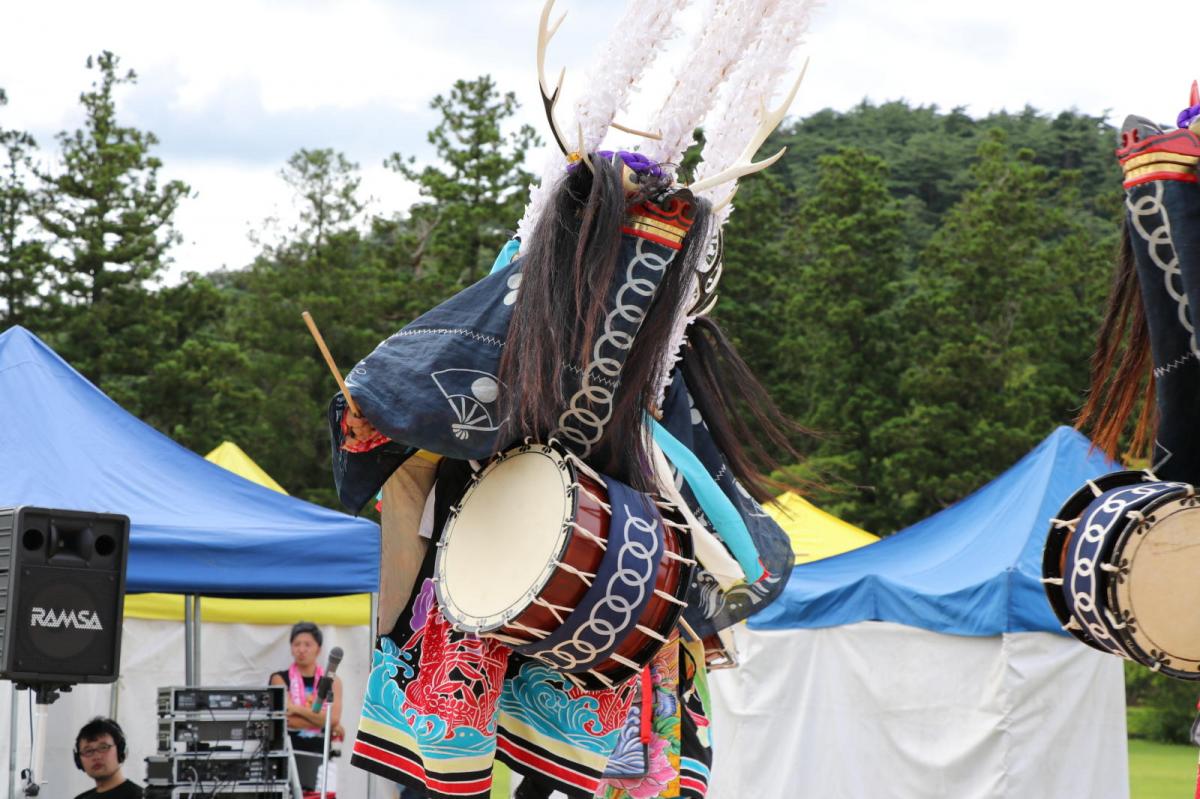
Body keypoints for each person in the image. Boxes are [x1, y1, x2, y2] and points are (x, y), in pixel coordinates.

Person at [269, 620, 344, 796]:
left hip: (322, 757)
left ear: (318, 648)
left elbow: (333, 720)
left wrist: (295, 708)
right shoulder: (279, 679)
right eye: (296, 644)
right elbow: (285, 719)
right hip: (288, 757)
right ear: (291, 648)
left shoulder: (332, 681)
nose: (301, 649)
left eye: (307, 644)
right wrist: (321, 721)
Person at [73, 717, 143, 798]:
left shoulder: (140, 796)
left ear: (120, 751)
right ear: (79, 760)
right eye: (88, 751)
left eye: (103, 747)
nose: (96, 757)